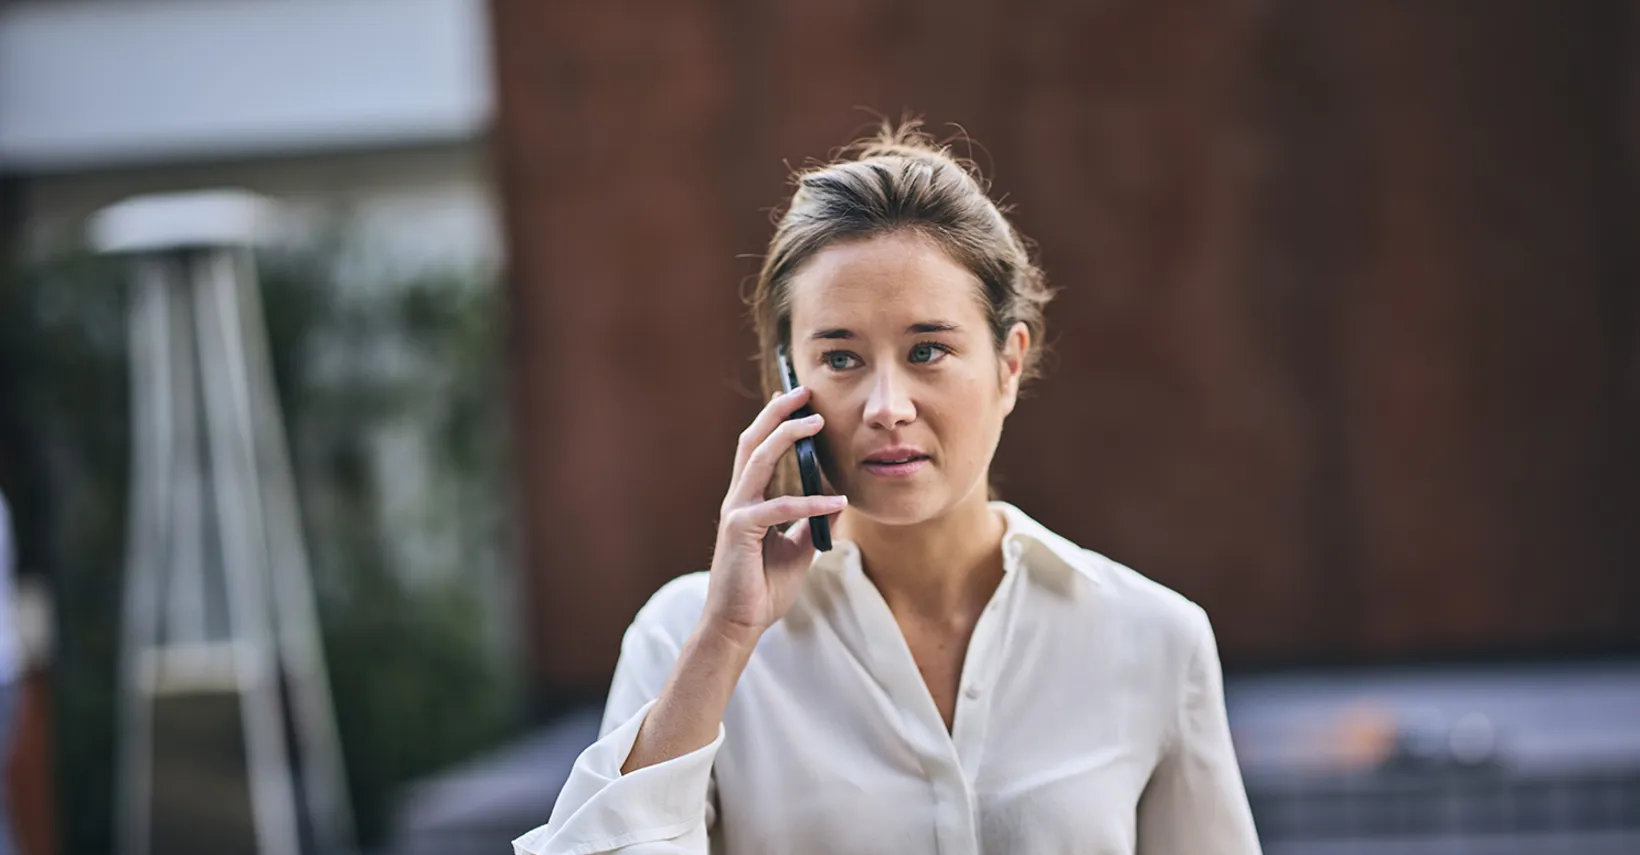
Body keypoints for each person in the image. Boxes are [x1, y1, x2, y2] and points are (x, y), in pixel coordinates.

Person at [514, 123, 1261, 854]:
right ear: (787, 380)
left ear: (1008, 363)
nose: (886, 406)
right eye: (840, 358)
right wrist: (726, 641)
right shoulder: (685, 636)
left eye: (927, 350)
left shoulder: (1154, 637)